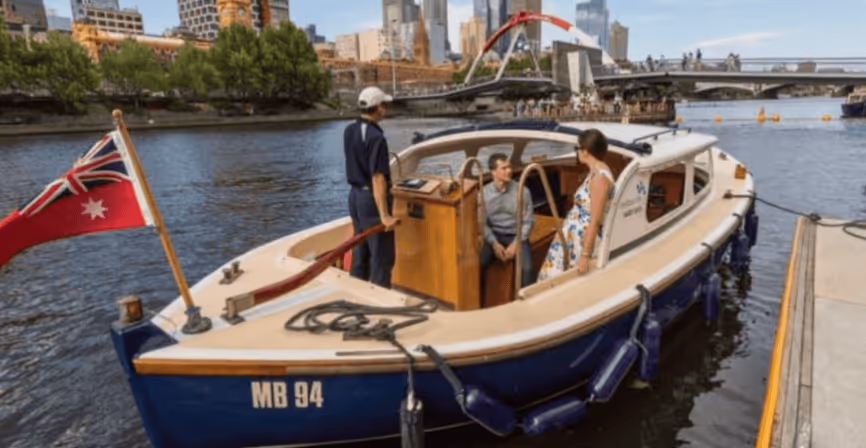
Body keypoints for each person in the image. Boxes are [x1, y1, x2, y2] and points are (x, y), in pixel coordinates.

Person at [538, 129, 616, 281]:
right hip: (574, 236)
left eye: (577, 149)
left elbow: (594, 221)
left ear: (585, 151)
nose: (577, 152)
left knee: (564, 280)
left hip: (581, 241)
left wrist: (585, 255)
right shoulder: (595, 172)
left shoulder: (600, 178)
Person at [344, 87, 399, 288]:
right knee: (382, 257)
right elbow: (377, 178)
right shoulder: (376, 137)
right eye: (383, 105)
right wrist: (384, 215)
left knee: (361, 252)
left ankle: (355, 297)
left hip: (355, 197)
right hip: (371, 201)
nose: (385, 109)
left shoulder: (349, 130)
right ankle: (379, 306)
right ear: (378, 108)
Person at [479, 153, 535, 304]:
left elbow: (528, 222)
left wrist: (516, 243)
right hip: (494, 235)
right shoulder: (483, 194)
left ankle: (526, 304)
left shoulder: (523, 191)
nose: (509, 171)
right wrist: (493, 243)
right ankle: (478, 302)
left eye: (509, 167)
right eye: (504, 168)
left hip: (516, 235)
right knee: (477, 264)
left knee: (528, 269)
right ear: (493, 172)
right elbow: (481, 224)